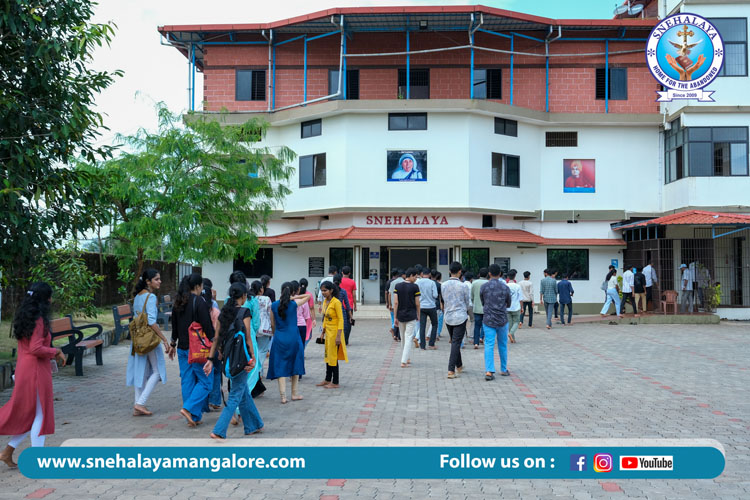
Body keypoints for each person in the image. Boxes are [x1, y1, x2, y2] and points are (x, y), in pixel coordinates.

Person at [0, 282, 67, 468]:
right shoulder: (38, 319)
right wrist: (55, 351)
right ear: (44, 299)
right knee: (41, 415)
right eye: (49, 296)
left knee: (31, 414)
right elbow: (36, 348)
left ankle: (7, 452)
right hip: (35, 371)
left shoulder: (25, 316)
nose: (51, 300)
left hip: (25, 368)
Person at [204, 282, 263, 441]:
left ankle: (254, 425)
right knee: (236, 395)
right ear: (243, 296)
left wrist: (210, 359)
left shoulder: (223, 313)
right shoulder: (244, 312)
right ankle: (219, 430)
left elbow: (216, 339)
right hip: (241, 359)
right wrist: (252, 358)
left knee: (243, 391)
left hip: (228, 360)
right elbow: (248, 338)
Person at [171, 272, 215, 427]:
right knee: (206, 382)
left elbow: (174, 326)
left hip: (182, 348)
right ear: (197, 286)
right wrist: (215, 343)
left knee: (187, 381)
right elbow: (207, 327)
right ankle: (188, 408)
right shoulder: (199, 301)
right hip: (197, 350)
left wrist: (172, 344)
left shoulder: (178, 301)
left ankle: (193, 417)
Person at [127, 269, 172, 417]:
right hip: (149, 339)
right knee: (157, 372)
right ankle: (140, 403)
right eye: (156, 279)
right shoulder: (151, 297)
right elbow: (152, 321)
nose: (160, 281)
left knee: (141, 371)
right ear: (148, 281)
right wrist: (164, 339)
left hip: (138, 338)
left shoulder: (137, 297)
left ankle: (137, 405)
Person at [267, 282, 309, 404]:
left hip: (279, 337)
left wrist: (275, 334)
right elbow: (308, 296)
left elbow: (272, 323)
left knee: (280, 365)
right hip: (294, 337)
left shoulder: (274, 305)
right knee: (295, 363)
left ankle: (283, 396)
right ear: (292, 292)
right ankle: (294, 394)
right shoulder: (293, 304)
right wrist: (293, 297)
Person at [480, 264, 512, 380]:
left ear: (489, 273)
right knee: (502, 344)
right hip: (502, 319)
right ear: (500, 274)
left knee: (489, 344)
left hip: (488, 319)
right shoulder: (505, 287)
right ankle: (503, 369)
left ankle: (489, 371)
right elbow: (509, 303)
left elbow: (483, 302)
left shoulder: (484, 287)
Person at [317, 281, 348, 388]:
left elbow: (341, 319)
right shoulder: (325, 302)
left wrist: (339, 336)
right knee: (327, 356)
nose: (323, 293)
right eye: (322, 291)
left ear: (331, 290)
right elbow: (325, 318)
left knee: (333, 357)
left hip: (335, 333)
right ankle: (327, 379)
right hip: (328, 333)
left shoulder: (336, 302)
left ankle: (335, 382)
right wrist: (323, 332)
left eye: (325, 290)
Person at [393, 268, 421, 368]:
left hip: (400, 315)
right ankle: (404, 360)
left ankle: (406, 357)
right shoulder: (415, 287)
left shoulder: (398, 286)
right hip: (411, 315)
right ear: (411, 275)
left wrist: (395, 317)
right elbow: (417, 303)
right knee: (409, 337)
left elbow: (396, 302)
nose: (416, 279)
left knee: (403, 337)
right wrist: (418, 314)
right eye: (415, 277)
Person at [203, 279, 222, 411]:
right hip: (213, 346)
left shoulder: (197, 308)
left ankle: (205, 401)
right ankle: (215, 400)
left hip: (200, 346)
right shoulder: (214, 310)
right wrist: (220, 349)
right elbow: (218, 332)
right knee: (216, 372)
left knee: (203, 374)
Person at [416, 268, 439, 350]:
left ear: (422, 274)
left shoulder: (418, 282)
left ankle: (422, 345)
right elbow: (435, 295)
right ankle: (431, 344)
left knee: (422, 326)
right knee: (434, 324)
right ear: (429, 274)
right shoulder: (432, 283)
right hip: (431, 306)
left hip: (421, 306)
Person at [332, 274, 353, 345]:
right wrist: (351, 316)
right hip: (341, 311)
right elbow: (347, 305)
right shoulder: (343, 291)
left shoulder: (330, 291)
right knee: (343, 328)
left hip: (332, 310)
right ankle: (342, 343)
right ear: (341, 281)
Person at [470, 268, 489, 349]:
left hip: (477, 308)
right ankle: (483, 338)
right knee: (486, 325)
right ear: (487, 274)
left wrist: (474, 302)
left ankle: (476, 343)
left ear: (479, 274)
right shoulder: (488, 283)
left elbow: (472, 296)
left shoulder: (474, 283)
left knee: (477, 326)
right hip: (487, 308)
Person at [505, 270, 522, 342]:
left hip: (507, 307)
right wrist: (522, 307)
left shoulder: (505, 286)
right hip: (516, 307)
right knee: (517, 322)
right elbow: (520, 298)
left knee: (510, 323)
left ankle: (513, 338)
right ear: (515, 276)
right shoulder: (517, 286)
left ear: (508, 277)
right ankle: (511, 333)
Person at [299, 278, 316, 346]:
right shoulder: (309, 295)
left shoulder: (297, 294)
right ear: (307, 285)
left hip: (298, 317)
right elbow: (311, 308)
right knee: (308, 335)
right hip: (307, 318)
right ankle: (302, 348)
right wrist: (314, 319)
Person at [385, 269, 401, 341]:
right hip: (398, 303)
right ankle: (394, 330)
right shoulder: (400, 282)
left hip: (392, 303)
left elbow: (387, 293)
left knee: (393, 318)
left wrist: (388, 303)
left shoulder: (389, 282)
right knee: (398, 319)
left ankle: (394, 330)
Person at [432, 270, 444, 341]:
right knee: (437, 320)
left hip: (427, 304)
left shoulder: (429, 283)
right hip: (436, 304)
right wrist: (442, 305)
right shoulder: (439, 285)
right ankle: (436, 334)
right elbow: (441, 297)